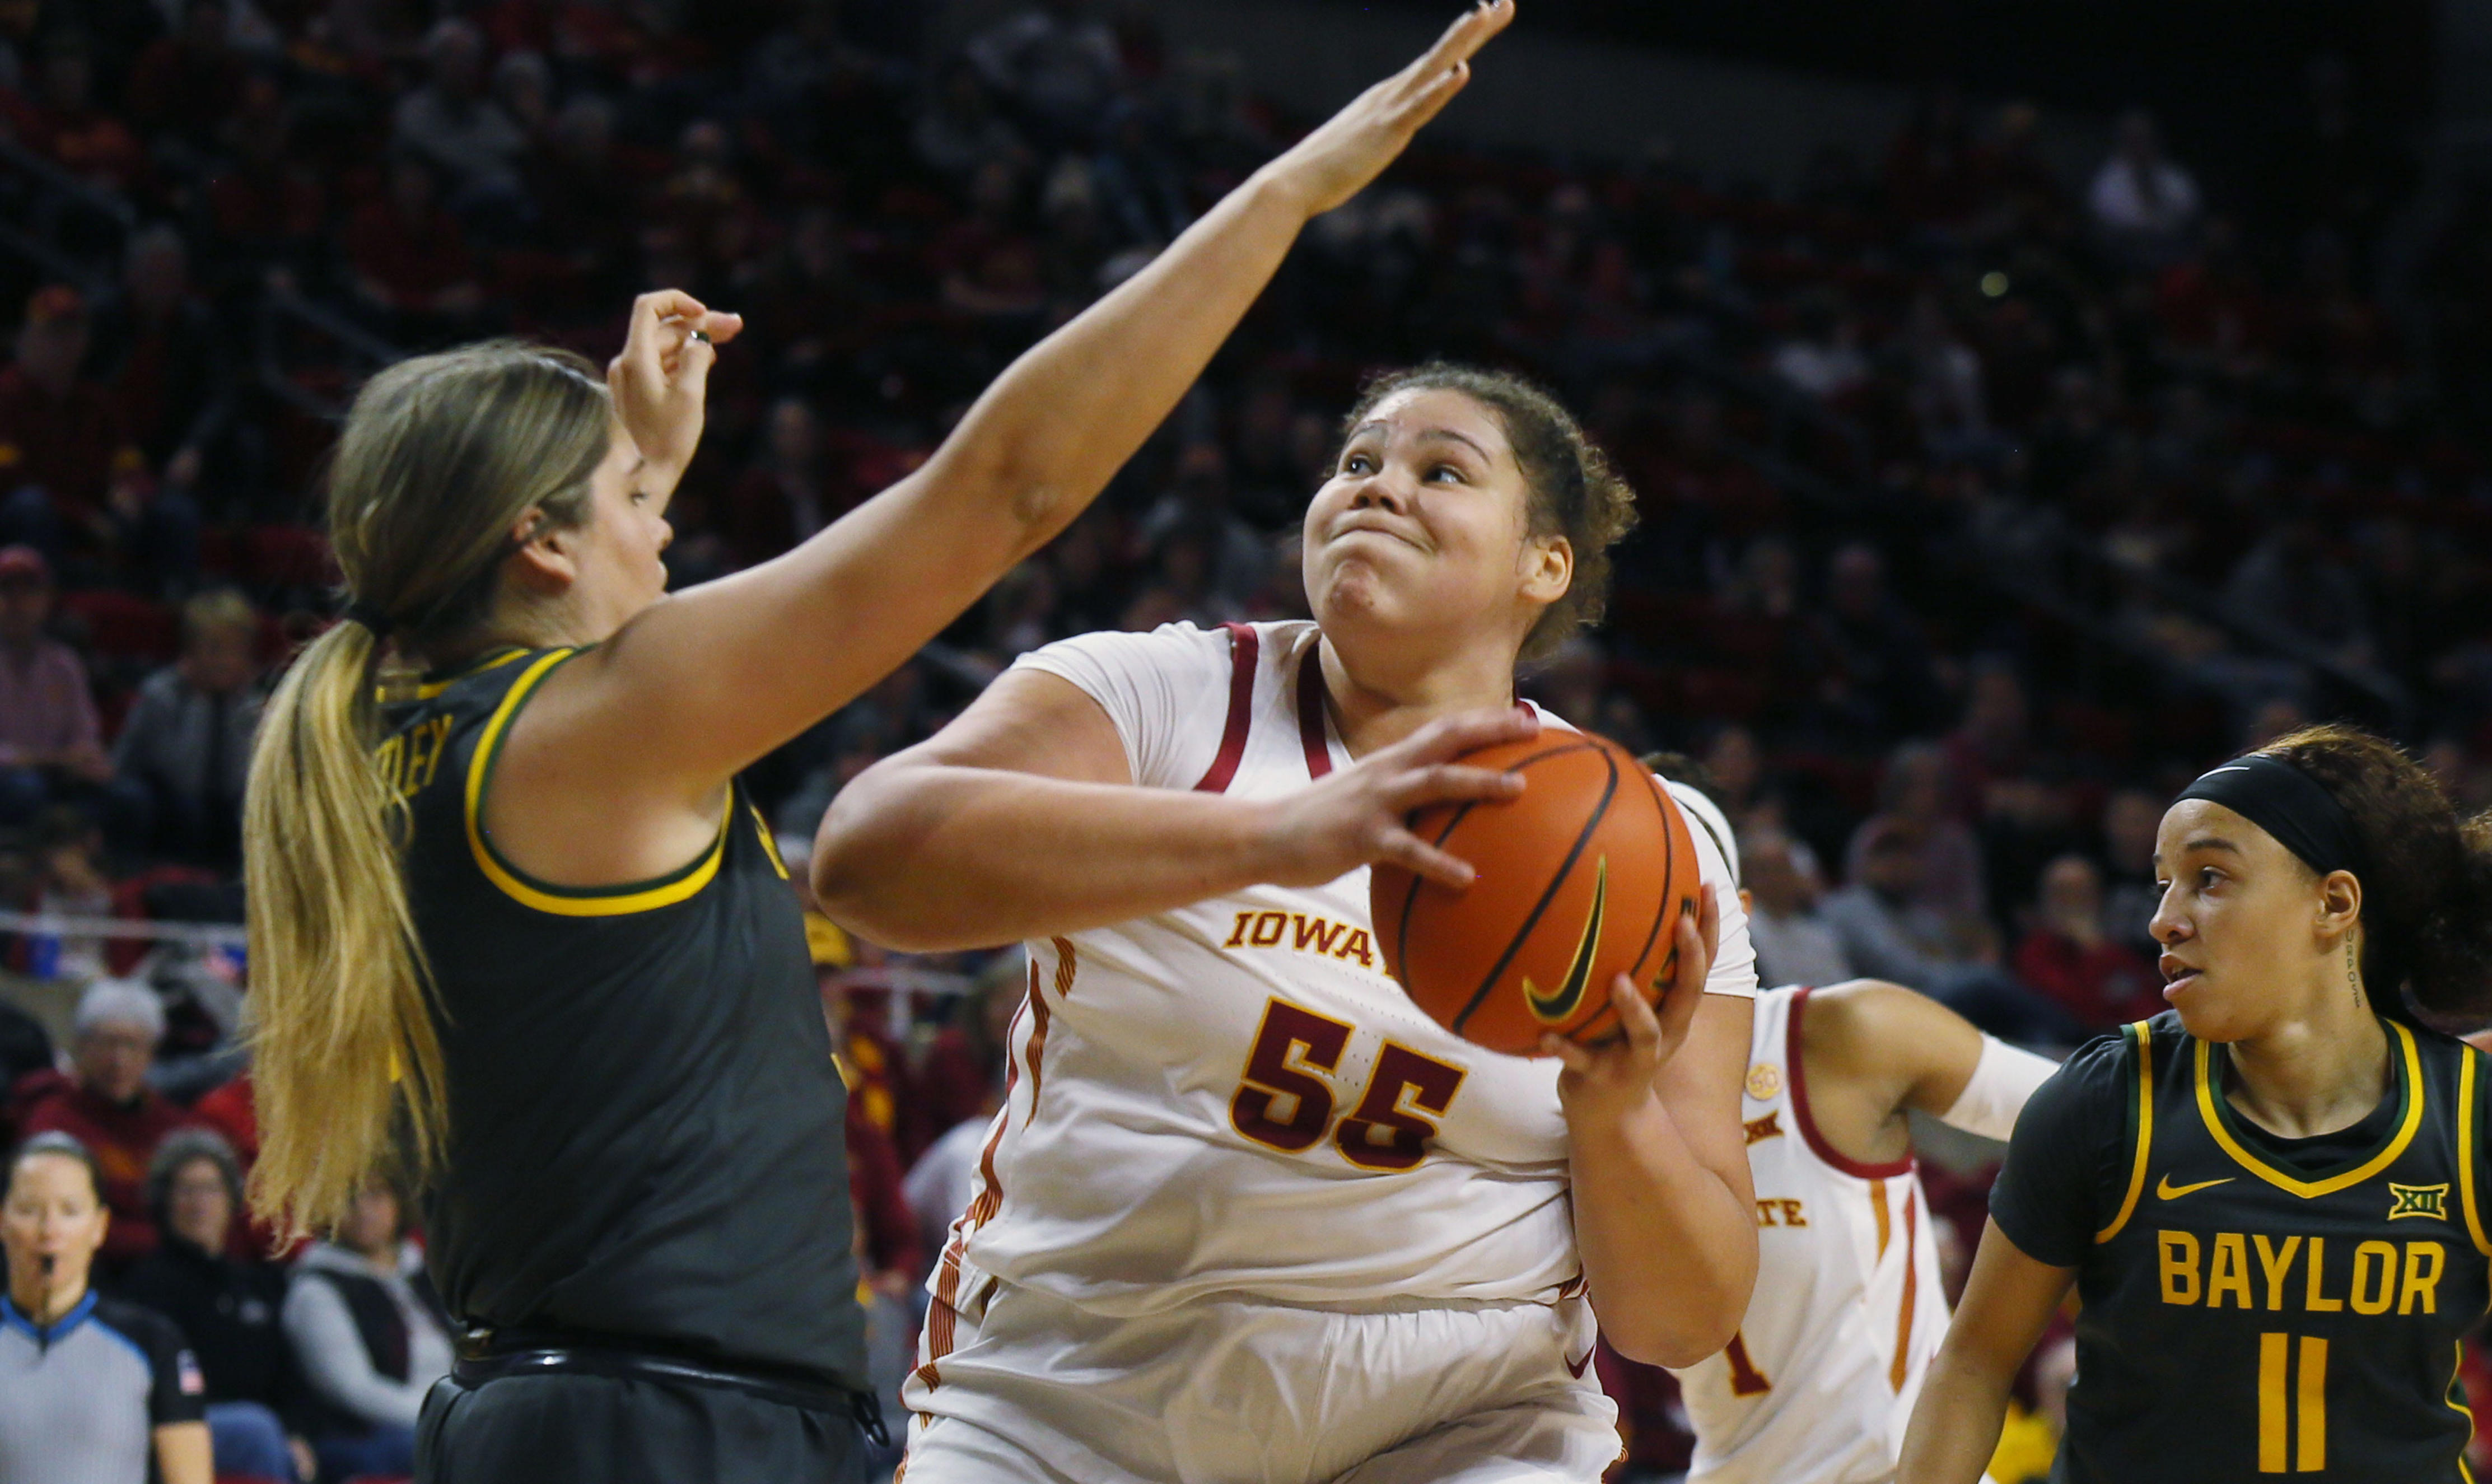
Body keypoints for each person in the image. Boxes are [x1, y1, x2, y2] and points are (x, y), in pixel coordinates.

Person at [236, 12, 1515, 1484]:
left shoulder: (405, 730)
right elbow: (1008, 488)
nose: (661, 522)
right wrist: (1281, 196)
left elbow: (576, 602)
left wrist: (630, 453)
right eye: (629, 502)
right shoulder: (587, 735)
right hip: (669, 1430)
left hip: (585, 1411)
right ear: (533, 540)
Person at [815, 371, 1759, 1484]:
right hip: (1072, 1392)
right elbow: (865, 861)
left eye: (1439, 469)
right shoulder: (1160, 690)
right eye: (1357, 462)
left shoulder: (1653, 854)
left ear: (1541, 563)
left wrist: (1613, 1116)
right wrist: (1277, 836)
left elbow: (1680, 1319)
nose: (1377, 488)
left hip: (1457, 1420)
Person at [1901, 726, 2492, 1483]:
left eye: (2209, 877)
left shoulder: (2466, 1115)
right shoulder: (2106, 1097)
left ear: (2333, 902)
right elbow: (1974, 1362)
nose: (2164, 918)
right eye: (2162, 884)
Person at [1671, 978, 2057, 1484]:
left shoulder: (1843, 1031)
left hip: (1902, 1470)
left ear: (1738, 906)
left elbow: (2107, 1119)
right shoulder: (1586, 1090)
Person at [0, 1132, 212, 1484]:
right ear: (2, 1221)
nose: (49, 1230)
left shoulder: (152, 1342)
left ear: (99, 1227)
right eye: (29, 1210)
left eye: (70, 1211)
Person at [120, 1129, 312, 1484]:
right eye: (187, 1190)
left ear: (231, 1199)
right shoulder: (148, 1285)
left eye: (212, 1189)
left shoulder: (255, 1282)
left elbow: (290, 1375)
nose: (200, 1203)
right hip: (182, 1427)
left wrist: (297, 1432)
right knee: (256, 1429)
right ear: (164, 1200)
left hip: (261, 1426)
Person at [20, 979, 199, 1272]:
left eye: (132, 1045)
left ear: (152, 1053)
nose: (119, 1060)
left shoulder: (174, 1128)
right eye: (107, 1043)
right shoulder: (53, 1121)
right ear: (81, 1047)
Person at [284, 1175, 451, 1482]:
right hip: (364, 1435)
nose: (362, 1210)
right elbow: (354, 1389)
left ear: (399, 1202)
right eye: (349, 1199)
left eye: (375, 1195)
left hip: (449, 1414)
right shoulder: (316, 1288)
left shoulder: (427, 1273)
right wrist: (447, 1416)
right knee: (462, 1448)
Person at [111, 588, 264, 871]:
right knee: (186, 810)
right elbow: (183, 777)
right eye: (216, 648)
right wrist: (202, 701)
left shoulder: (248, 703)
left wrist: (233, 707)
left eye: (237, 650)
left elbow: (239, 781)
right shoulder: (161, 694)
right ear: (190, 649)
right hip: (163, 801)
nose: (226, 660)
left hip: (218, 805)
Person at [0, 544, 111, 827]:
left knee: (124, 795)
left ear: (48, 600)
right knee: (26, 788)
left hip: (58, 774)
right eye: (8, 592)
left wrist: (84, 759)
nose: (18, 602)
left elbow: (85, 735)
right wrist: (52, 760)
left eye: (30, 592)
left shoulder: (65, 663)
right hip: (14, 779)